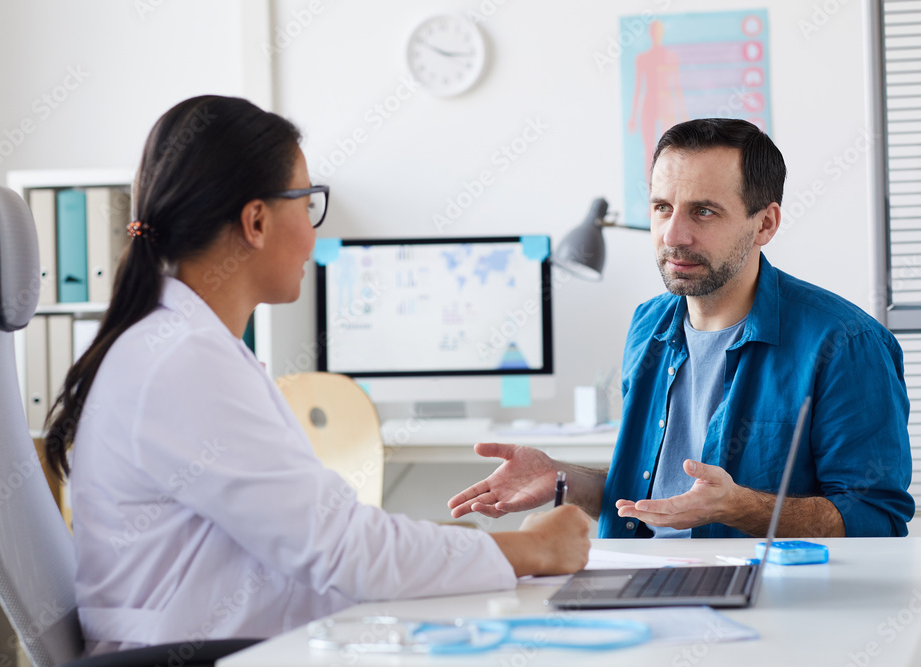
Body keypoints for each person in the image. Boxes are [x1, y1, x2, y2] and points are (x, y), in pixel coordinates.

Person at [43, 95, 591, 655]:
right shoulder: (180, 360)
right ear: (255, 221)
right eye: (307, 205)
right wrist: (533, 552)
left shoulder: (180, 346)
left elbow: (312, 544)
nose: (313, 235)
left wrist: (468, 550)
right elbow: (342, 552)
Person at [449, 118, 914, 540]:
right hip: (638, 585)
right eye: (662, 208)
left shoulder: (846, 343)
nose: (673, 235)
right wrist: (563, 480)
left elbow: (876, 517)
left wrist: (740, 508)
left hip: (769, 599)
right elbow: (645, 495)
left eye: (703, 211)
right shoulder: (648, 324)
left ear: (765, 224)